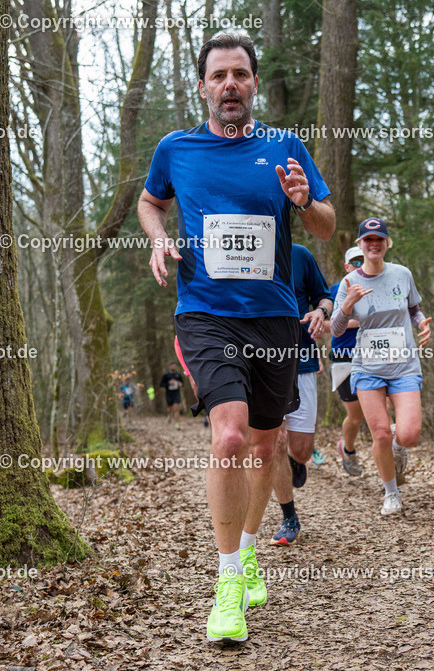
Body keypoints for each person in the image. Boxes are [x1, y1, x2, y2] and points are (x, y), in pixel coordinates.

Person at [138, 32, 334, 642]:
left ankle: (249, 549)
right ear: (202, 86)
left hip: (274, 316)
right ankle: (227, 584)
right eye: (218, 75)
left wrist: (305, 202)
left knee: (265, 446)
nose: (229, 85)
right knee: (228, 433)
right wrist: (157, 236)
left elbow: (326, 227)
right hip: (205, 311)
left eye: (240, 75)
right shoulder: (176, 148)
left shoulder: (284, 145)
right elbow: (150, 202)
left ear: (252, 84)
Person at [331, 218, 431, 516]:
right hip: (367, 367)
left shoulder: (402, 274)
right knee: (380, 434)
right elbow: (336, 329)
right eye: (368, 240)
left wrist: (421, 323)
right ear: (360, 245)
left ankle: (400, 449)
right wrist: (347, 304)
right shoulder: (348, 283)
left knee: (409, 435)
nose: (374, 244)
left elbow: (413, 310)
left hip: (404, 365)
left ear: (387, 244)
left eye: (379, 239)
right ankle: (391, 494)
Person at [270, 243, 333, 546]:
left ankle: (299, 460)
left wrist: (321, 312)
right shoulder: (244, 250)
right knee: (275, 441)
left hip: (303, 359)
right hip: (264, 362)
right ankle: (288, 517)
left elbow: (326, 296)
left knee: (301, 449)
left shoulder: (300, 254)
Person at [329, 246, 366, 477]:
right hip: (344, 357)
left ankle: (390, 460)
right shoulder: (335, 290)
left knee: (385, 408)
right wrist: (360, 321)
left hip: (372, 354)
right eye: (355, 262)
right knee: (356, 416)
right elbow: (326, 326)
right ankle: (348, 448)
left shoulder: (376, 287)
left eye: (363, 261)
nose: (360, 266)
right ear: (346, 267)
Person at [159, 362, 184, 427]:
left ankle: (177, 423)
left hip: (176, 393)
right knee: (170, 408)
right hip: (169, 394)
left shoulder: (178, 375)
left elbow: (182, 383)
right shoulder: (166, 375)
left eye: (174, 366)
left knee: (176, 408)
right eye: (171, 366)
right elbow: (161, 384)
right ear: (169, 367)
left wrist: (180, 384)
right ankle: (169, 415)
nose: (173, 367)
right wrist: (168, 383)